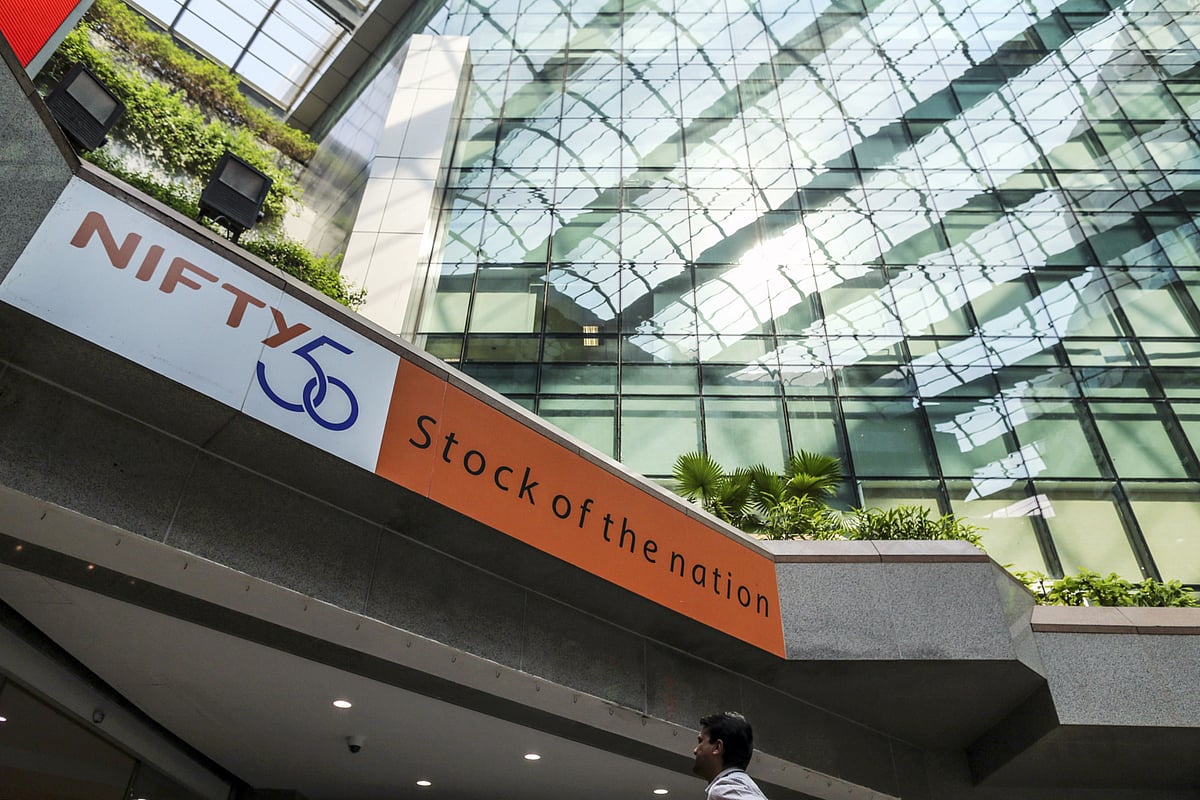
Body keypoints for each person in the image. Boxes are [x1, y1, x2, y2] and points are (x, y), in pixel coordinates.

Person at [691, 712, 769, 800]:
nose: (695, 750)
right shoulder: (744, 785)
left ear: (717, 747)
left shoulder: (723, 789)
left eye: (700, 741)